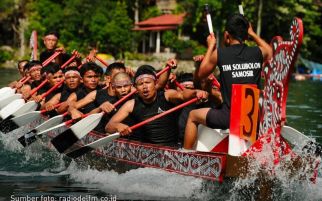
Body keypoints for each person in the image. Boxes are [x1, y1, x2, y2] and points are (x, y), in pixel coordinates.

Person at [183, 14, 273, 149]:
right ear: (246, 35)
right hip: (254, 118)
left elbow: (201, 74)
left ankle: (186, 156)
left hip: (229, 118)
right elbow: (270, 52)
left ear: (226, 35)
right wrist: (253, 34)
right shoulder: (257, 52)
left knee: (192, 116)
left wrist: (211, 46)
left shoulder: (219, 53)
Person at [106, 65, 208, 147]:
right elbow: (109, 127)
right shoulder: (131, 104)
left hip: (173, 149)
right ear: (136, 88)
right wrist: (118, 126)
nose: (145, 87)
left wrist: (196, 92)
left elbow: (182, 95)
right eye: (140, 84)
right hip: (147, 152)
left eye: (148, 82)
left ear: (155, 83)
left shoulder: (167, 95)